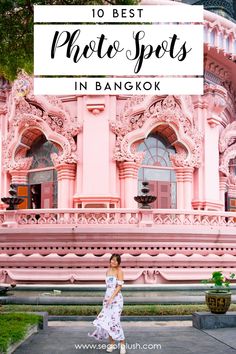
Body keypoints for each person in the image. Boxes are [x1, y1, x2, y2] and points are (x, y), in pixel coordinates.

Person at [88, 254, 126, 354]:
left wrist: (112, 297)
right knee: (108, 322)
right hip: (107, 300)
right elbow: (108, 287)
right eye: (112, 260)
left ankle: (122, 344)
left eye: (115, 261)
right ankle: (112, 344)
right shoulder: (108, 271)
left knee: (115, 322)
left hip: (116, 300)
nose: (113, 262)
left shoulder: (120, 271)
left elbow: (119, 287)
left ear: (118, 262)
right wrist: (106, 299)